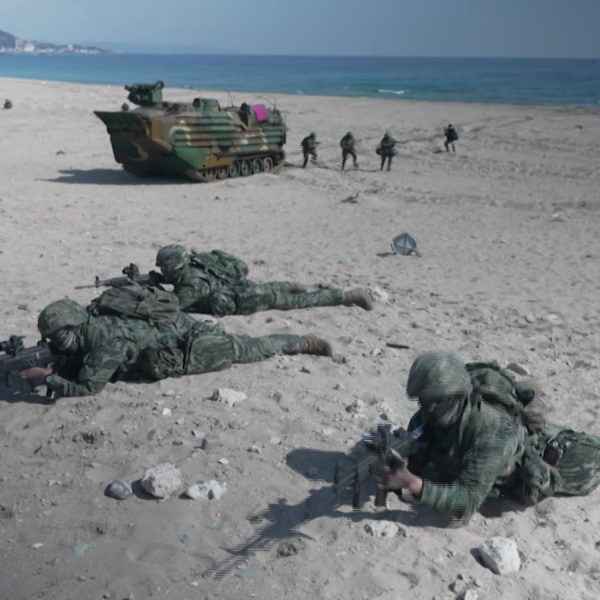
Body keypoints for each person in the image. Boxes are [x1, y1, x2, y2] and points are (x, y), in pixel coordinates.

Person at [374, 350, 600, 526]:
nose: (428, 407)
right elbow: (413, 460)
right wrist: (396, 462)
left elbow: (467, 501)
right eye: (424, 399)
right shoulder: (426, 418)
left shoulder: (492, 429)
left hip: (551, 453)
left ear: (458, 395)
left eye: (436, 400)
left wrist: (413, 484)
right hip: (507, 441)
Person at [18, 297, 334, 398]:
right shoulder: (92, 320)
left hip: (190, 346)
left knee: (249, 348)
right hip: (171, 326)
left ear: (73, 328)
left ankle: (302, 341)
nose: (53, 342)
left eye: (56, 336)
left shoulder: (105, 344)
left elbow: (87, 388)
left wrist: (48, 378)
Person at [153, 244, 374, 316]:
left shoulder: (191, 286)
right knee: (266, 288)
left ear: (174, 268)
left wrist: (153, 289)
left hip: (245, 298)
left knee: (295, 301)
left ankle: (349, 296)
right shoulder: (197, 262)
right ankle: (295, 285)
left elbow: (171, 305)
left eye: (164, 268)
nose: (162, 270)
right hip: (236, 285)